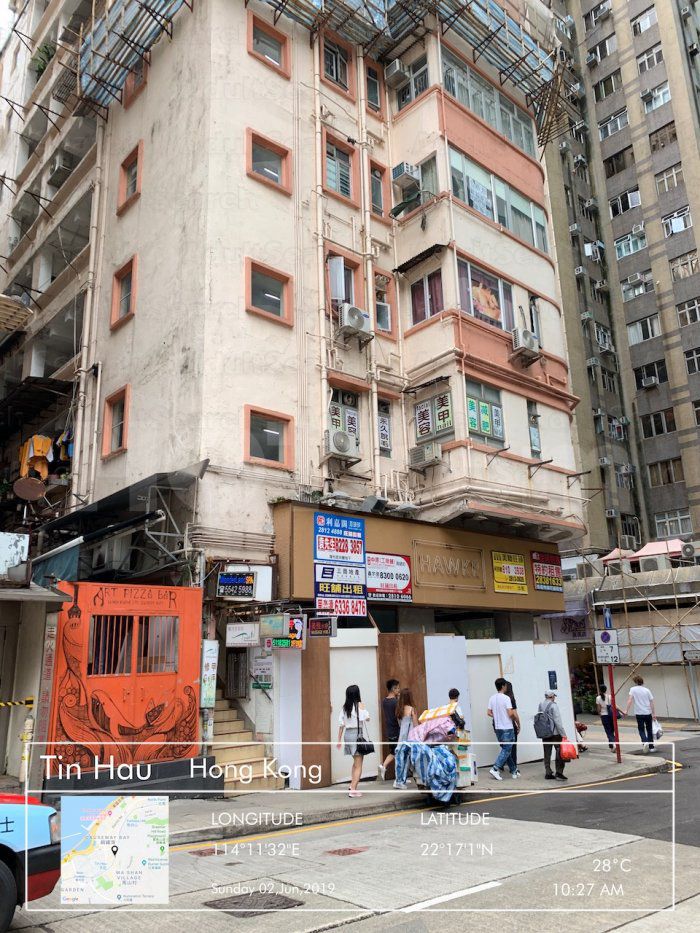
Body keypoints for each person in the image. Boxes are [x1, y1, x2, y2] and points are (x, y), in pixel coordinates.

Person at [337, 685, 371, 797]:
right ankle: (353, 790)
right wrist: (362, 710)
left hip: (347, 735)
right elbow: (367, 718)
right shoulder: (359, 705)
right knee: (359, 764)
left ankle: (352, 785)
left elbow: (341, 725)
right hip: (357, 735)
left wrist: (339, 740)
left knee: (355, 762)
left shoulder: (345, 708)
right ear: (357, 694)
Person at [487, 677, 518, 780]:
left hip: (498, 728)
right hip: (507, 727)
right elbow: (510, 713)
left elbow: (488, 712)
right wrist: (514, 719)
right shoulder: (506, 698)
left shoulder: (492, 698)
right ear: (503, 686)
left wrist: (497, 716)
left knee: (506, 750)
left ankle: (514, 770)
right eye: (506, 685)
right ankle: (495, 768)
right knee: (507, 749)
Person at [538, 689, 567, 781]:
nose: (554, 698)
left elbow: (539, 718)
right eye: (554, 696)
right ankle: (559, 773)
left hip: (545, 733)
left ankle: (548, 772)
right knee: (559, 752)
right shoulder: (554, 706)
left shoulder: (541, 705)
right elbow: (557, 721)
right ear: (552, 696)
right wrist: (563, 734)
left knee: (547, 753)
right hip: (555, 734)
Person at [393, 688, 420, 789]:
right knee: (408, 759)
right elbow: (416, 724)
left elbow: (401, 724)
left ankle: (398, 780)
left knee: (400, 759)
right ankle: (400, 781)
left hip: (402, 737)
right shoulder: (412, 709)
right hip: (410, 738)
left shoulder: (399, 709)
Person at [624, 675, 656, 752]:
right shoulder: (647, 690)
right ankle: (651, 747)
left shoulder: (633, 689)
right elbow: (651, 702)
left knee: (641, 729)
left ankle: (645, 742)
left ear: (635, 682)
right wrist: (654, 714)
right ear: (642, 682)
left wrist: (626, 710)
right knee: (649, 729)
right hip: (648, 713)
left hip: (639, 713)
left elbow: (630, 700)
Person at [378, 679, 400, 780]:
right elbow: (399, 716)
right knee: (397, 753)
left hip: (389, 730)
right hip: (396, 730)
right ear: (393, 688)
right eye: (398, 688)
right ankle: (385, 766)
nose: (399, 690)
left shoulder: (384, 701)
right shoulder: (395, 702)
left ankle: (398, 776)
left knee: (394, 752)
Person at [498, 681, 520, 773]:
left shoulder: (498, 698)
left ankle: (501, 765)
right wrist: (518, 723)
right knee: (512, 747)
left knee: (504, 747)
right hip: (509, 725)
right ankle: (513, 767)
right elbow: (513, 713)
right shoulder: (510, 698)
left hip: (499, 726)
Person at [595, 684, 616, 750]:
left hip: (604, 715)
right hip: (611, 715)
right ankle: (611, 745)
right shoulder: (610, 696)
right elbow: (613, 706)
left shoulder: (598, 698)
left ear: (600, 690)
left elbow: (598, 709)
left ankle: (613, 742)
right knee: (612, 730)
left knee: (608, 731)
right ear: (606, 689)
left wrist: (599, 714)